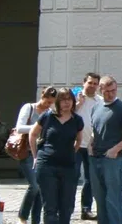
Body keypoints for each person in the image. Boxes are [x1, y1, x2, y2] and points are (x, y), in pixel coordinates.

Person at [88, 77, 122, 224]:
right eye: (107, 91)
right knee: (99, 197)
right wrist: (91, 143)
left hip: (114, 159)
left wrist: (115, 149)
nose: (110, 94)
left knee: (113, 197)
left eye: (113, 91)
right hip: (95, 157)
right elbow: (95, 130)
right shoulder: (96, 108)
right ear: (100, 90)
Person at [32, 89, 85, 224]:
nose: (66, 102)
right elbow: (32, 134)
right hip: (47, 165)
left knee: (66, 207)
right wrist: (35, 157)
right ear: (58, 102)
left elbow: (79, 140)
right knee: (50, 208)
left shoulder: (77, 120)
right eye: (63, 99)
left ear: (73, 101)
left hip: (68, 167)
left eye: (69, 99)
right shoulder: (47, 116)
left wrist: (72, 152)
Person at [15, 87, 57, 224]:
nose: (48, 105)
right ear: (42, 96)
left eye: (51, 102)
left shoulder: (51, 112)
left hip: (42, 152)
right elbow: (19, 127)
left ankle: (36, 220)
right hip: (26, 151)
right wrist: (38, 126)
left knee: (40, 187)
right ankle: (23, 215)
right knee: (34, 185)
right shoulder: (29, 108)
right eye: (47, 101)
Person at [73, 74, 100, 221]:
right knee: (72, 176)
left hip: (91, 146)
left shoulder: (100, 101)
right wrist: (78, 104)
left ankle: (86, 209)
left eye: (95, 83)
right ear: (84, 83)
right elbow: (65, 115)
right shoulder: (74, 97)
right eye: (90, 82)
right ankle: (67, 208)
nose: (92, 85)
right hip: (75, 145)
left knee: (90, 179)